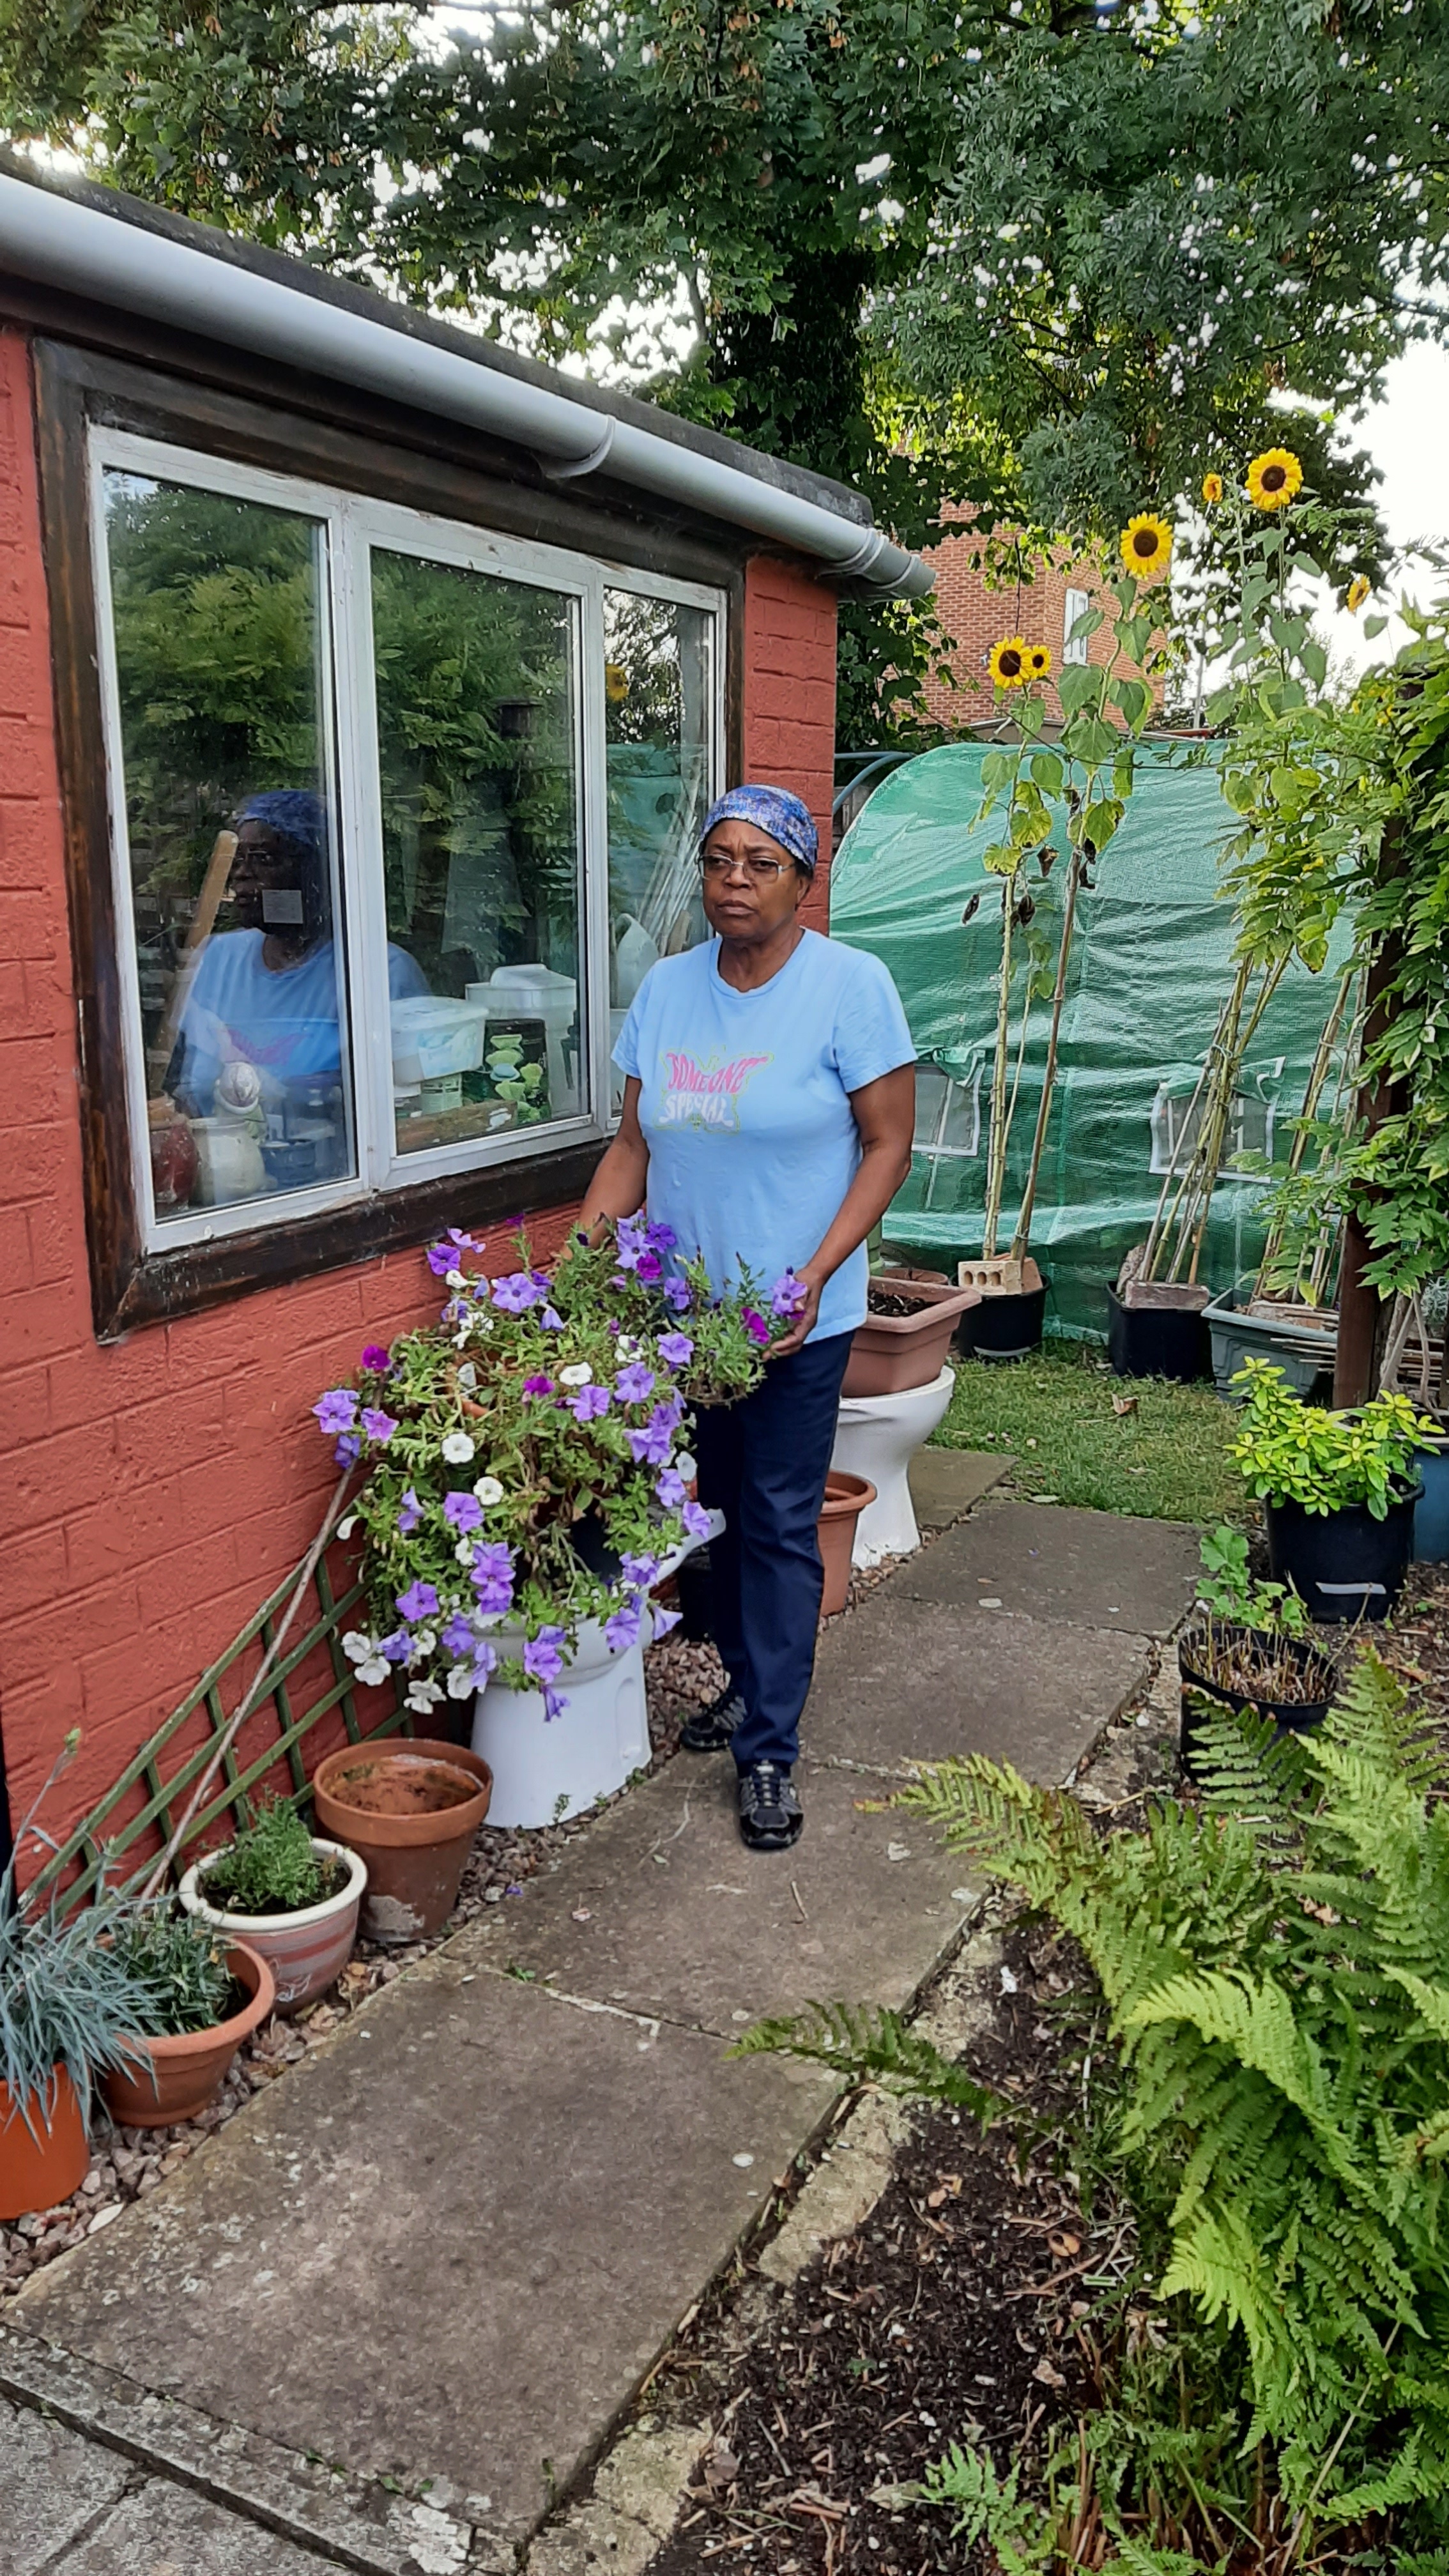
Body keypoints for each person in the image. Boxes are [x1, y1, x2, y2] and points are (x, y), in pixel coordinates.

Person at [579, 783, 916, 1852]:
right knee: (713, 1509)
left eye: (759, 863)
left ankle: (768, 1750)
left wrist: (814, 1274)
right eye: (718, 860)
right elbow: (633, 1144)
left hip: (791, 1322)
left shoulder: (847, 988)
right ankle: (742, 1682)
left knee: (774, 1524)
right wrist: (583, 1268)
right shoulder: (670, 991)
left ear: (803, 881)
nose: (732, 880)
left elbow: (886, 1145)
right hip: (685, 1321)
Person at [169, 789, 429, 1137]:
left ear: (315, 874)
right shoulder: (216, 959)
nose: (242, 875)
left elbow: (410, 1112)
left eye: (264, 859)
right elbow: (185, 1090)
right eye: (240, 860)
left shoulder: (380, 972)